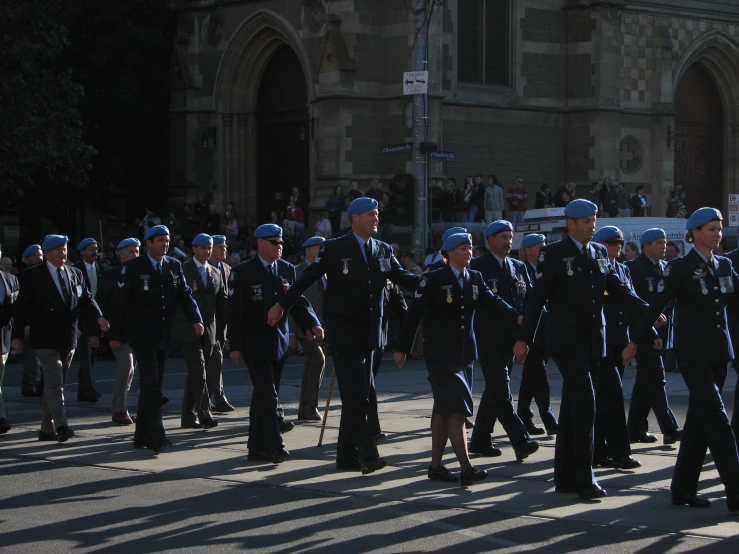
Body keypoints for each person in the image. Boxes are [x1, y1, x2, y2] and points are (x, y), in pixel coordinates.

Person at [268, 197, 421, 474]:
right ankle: (367, 454)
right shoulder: (336, 247)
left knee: (357, 396)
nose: (376, 219)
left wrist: (430, 281)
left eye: (377, 214)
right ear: (355, 218)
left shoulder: (383, 249)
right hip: (344, 334)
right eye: (371, 215)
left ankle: (346, 457)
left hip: (371, 336)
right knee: (357, 395)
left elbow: (402, 278)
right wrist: (282, 305)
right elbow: (307, 278)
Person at [513, 200, 650, 500]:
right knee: (586, 405)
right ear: (571, 223)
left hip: (594, 342)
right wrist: (525, 338)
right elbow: (536, 299)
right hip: (566, 341)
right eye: (586, 221)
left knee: (576, 408)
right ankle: (584, 477)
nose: (592, 226)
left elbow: (617, 287)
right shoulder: (555, 253)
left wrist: (647, 309)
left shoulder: (599, 252)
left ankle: (564, 476)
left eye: (594, 220)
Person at [629, 208, 739, 511]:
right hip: (692, 355)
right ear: (694, 234)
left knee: (698, 424)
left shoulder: (724, 265)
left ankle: (682, 490)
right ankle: (736, 491)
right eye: (710, 229)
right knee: (717, 420)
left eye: (719, 229)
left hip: (719, 354)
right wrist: (635, 341)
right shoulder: (679, 267)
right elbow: (654, 306)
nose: (717, 234)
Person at [395, 232, 521, 486]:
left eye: (470, 248)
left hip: (465, 355)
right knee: (456, 411)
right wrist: (402, 347)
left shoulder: (474, 277)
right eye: (463, 248)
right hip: (440, 356)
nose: (468, 253)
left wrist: (517, 316)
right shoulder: (432, 279)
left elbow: (492, 301)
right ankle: (466, 467)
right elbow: (414, 315)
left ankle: (436, 466)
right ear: (449, 252)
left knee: (442, 411)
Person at [229, 224, 322, 463]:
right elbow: (235, 312)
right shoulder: (243, 272)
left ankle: (256, 446)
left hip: (278, 344)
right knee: (268, 396)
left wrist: (312, 323)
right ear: (260, 243)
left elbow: (297, 301)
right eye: (274, 242)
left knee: (264, 396)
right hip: (254, 343)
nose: (279, 247)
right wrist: (235, 345)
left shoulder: (286, 270)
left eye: (281, 243)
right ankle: (275, 445)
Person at [108, 225, 204, 454]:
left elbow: (184, 294)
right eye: (159, 240)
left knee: (153, 385)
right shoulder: (133, 268)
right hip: (141, 335)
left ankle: (140, 435)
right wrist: (115, 335)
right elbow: (119, 305)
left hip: (163, 334)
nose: (164, 244)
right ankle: (156, 436)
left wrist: (196, 319)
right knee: (151, 385)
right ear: (148, 244)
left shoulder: (173, 265)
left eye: (167, 240)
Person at [11, 235, 109, 443]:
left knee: (54, 385)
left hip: (68, 338)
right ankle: (62, 425)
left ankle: (46, 429)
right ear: (47, 253)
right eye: (58, 250)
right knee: (55, 382)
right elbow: (21, 309)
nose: (62, 253)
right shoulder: (32, 276)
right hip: (44, 339)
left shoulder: (75, 273)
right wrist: (17, 336)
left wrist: (98, 316)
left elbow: (86, 299)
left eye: (64, 249)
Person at [468, 221, 539, 460]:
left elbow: (529, 300)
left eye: (509, 236)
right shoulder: (477, 266)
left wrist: (528, 333)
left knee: (494, 390)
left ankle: (479, 439)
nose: (507, 241)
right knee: (501, 390)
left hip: (514, 337)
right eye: (501, 237)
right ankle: (520, 439)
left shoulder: (520, 267)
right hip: (489, 337)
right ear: (489, 240)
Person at [625, 228, 682, 445]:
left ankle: (635, 428)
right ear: (646, 245)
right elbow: (635, 306)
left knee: (645, 381)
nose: (663, 247)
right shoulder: (633, 268)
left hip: (663, 333)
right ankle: (670, 428)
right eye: (658, 243)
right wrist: (649, 332)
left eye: (665, 243)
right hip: (642, 332)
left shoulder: (665, 268)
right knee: (657, 378)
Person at [591, 226, 641, 469]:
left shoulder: (623, 269)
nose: (616, 248)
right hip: (602, 343)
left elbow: (631, 304)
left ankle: (598, 451)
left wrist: (637, 339)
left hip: (620, 342)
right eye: (611, 244)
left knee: (605, 399)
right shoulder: (595, 270)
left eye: (619, 243)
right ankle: (619, 452)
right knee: (611, 397)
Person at [175, 233, 225, 431]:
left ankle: (187, 416)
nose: (206, 251)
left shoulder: (216, 272)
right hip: (189, 329)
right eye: (202, 248)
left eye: (209, 247)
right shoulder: (183, 270)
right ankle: (205, 413)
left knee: (196, 373)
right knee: (199, 370)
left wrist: (222, 333)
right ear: (194, 249)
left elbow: (221, 305)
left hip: (210, 330)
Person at [96, 238, 141, 425]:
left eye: (136, 251)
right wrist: (111, 335)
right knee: (126, 367)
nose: (134, 255)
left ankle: (125, 406)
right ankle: (120, 409)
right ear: (120, 253)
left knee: (132, 371)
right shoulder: (110, 275)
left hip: (138, 332)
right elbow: (103, 306)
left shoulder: (141, 274)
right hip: (118, 333)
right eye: (130, 251)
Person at [517, 234, 558, 435]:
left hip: (548, 330)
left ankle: (523, 415)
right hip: (529, 332)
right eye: (539, 247)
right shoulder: (520, 270)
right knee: (539, 374)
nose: (543, 251)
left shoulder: (549, 268)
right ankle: (548, 418)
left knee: (530, 377)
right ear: (527, 250)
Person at [291, 236, 328, 421]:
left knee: (311, 366)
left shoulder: (326, 271)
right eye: (321, 249)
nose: (324, 253)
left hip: (323, 328)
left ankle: (304, 409)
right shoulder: (298, 271)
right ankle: (311, 408)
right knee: (318, 360)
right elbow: (291, 302)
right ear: (310, 250)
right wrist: (293, 332)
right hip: (305, 328)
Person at [73, 238, 104, 402]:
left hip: (96, 318)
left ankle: (85, 388)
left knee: (91, 355)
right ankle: (88, 389)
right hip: (81, 318)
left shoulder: (101, 269)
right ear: (82, 252)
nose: (94, 252)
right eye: (91, 249)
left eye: (96, 249)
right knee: (85, 353)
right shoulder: (75, 270)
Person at [208, 235, 234, 412]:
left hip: (223, 321)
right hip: (209, 321)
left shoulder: (227, 269)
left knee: (216, 360)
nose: (223, 249)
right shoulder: (206, 268)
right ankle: (217, 397)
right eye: (219, 246)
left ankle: (214, 397)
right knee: (213, 360)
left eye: (224, 246)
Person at [19, 244, 44, 398]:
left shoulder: (44, 274)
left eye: (40, 254)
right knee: (32, 358)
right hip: (30, 322)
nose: (39, 257)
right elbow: (22, 305)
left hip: (42, 322)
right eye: (35, 255)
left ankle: (37, 385)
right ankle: (29, 386)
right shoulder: (24, 276)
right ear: (28, 258)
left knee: (41, 358)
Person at [0, 243, 20, 435]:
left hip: (2, 339)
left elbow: (17, 311)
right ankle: (1, 417)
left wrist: (18, 336)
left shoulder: (11, 280)